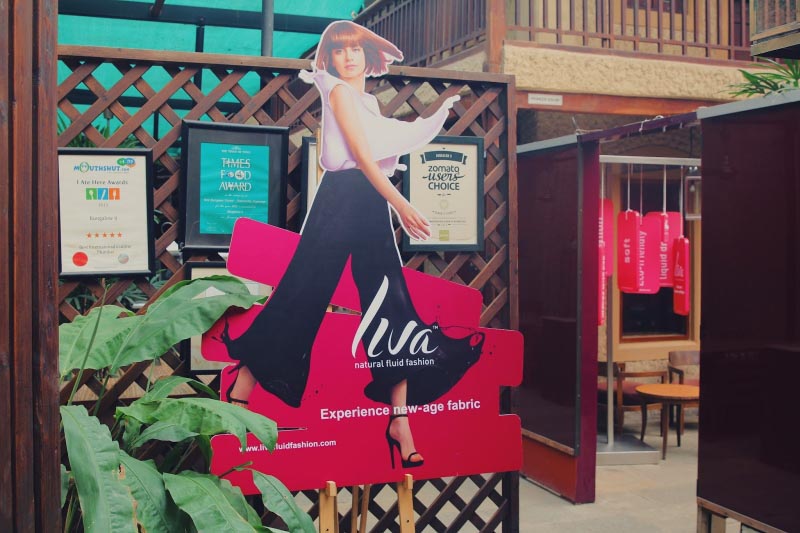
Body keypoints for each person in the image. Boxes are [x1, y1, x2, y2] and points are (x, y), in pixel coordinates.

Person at [219, 20, 484, 469]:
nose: (348, 57)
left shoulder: (369, 102)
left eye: (355, 49)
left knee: (390, 302)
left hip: (368, 201)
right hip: (341, 198)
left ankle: (399, 420)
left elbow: (391, 139)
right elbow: (361, 155)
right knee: (303, 293)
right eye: (339, 50)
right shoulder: (339, 93)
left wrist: (435, 117)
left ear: (368, 55)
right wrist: (401, 203)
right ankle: (240, 394)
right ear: (328, 59)